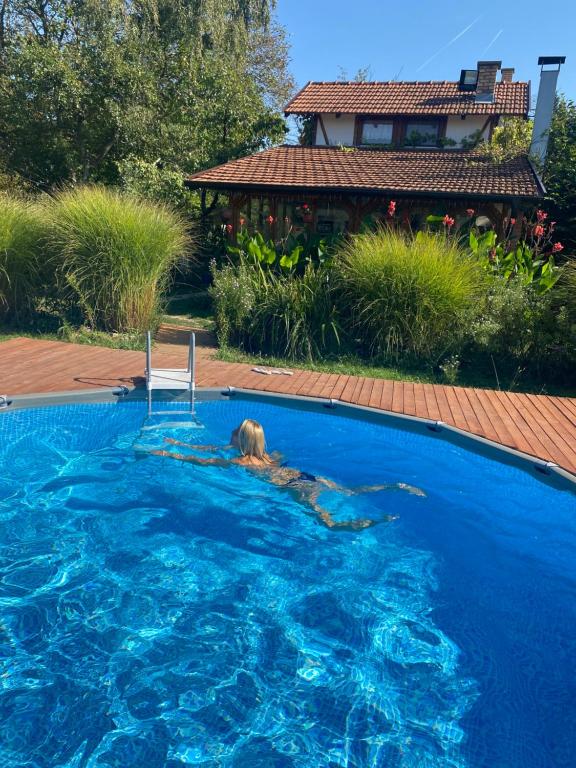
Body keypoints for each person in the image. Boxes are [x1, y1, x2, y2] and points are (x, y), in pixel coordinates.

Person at [151, 418, 425, 532]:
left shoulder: (241, 461)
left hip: (295, 486)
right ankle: (394, 486)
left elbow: (202, 461)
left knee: (327, 523)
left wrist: (169, 454)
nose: (231, 433)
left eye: (235, 431)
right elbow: (208, 448)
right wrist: (178, 444)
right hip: (304, 475)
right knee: (351, 491)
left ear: (241, 439)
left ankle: (371, 522)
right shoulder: (267, 456)